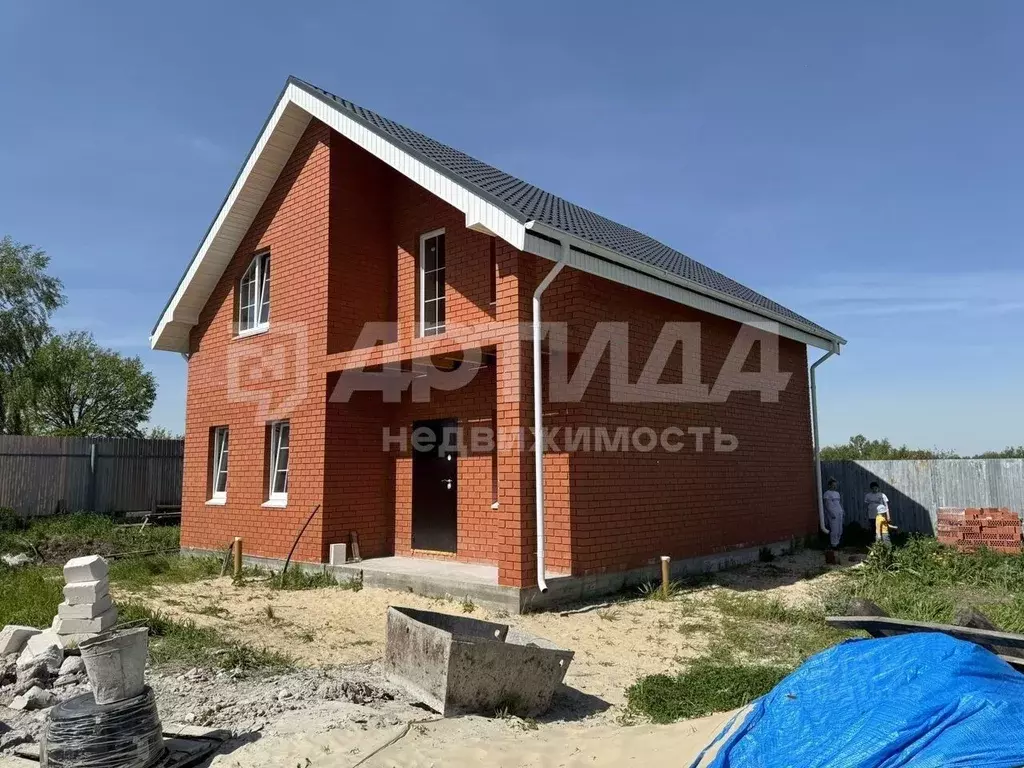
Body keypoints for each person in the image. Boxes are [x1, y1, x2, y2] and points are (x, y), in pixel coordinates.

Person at [823, 478, 844, 549]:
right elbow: (826, 504)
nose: (835, 487)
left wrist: (842, 510)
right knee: (834, 529)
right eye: (833, 485)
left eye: (835, 485)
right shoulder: (827, 493)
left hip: (839, 512)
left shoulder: (837, 493)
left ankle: (838, 543)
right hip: (832, 513)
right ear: (829, 486)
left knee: (840, 529)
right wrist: (831, 513)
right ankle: (833, 544)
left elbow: (839, 503)